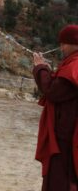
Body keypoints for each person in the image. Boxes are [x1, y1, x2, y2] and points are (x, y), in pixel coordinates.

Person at [32, 25, 78, 191]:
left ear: (74, 43)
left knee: (60, 181)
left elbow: (52, 91)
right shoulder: (72, 63)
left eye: (64, 43)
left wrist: (39, 66)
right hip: (67, 134)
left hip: (65, 138)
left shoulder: (75, 66)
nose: (61, 47)